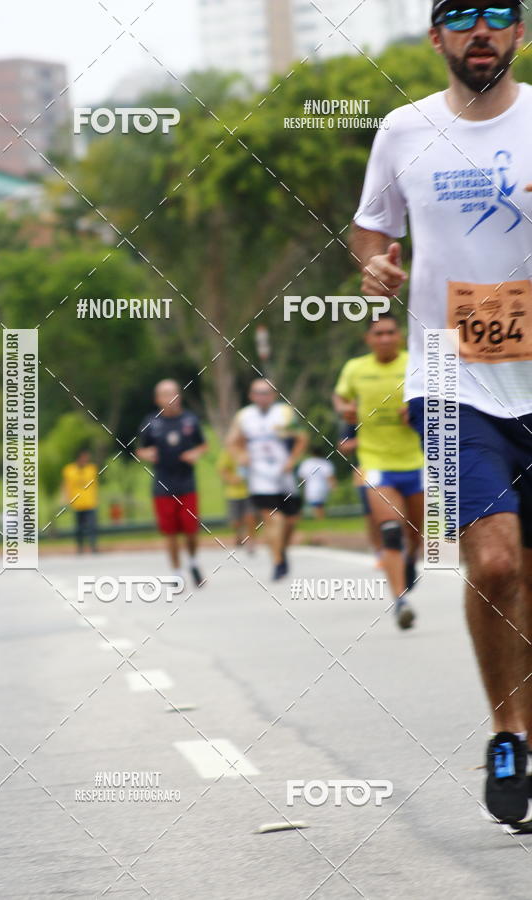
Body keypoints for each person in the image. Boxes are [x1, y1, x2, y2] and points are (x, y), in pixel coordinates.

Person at [350, 0, 532, 830]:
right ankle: (510, 734)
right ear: (437, 37)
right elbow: (370, 230)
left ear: (520, 33)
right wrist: (377, 267)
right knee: (495, 563)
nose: (481, 30)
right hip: (451, 378)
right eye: (462, 16)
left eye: (499, 13)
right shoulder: (404, 131)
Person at [334, 314, 424, 629]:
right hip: (375, 462)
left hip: (417, 461)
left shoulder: (416, 362)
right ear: (368, 340)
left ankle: (411, 559)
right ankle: (400, 602)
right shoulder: (356, 368)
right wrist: (343, 409)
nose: (384, 338)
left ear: (399, 336)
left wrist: (418, 408)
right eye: (378, 333)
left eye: (390, 332)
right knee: (390, 529)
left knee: (416, 533)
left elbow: (444, 396)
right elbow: (341, 397)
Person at [227, 379, 307, 580]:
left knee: (290, 521)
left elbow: (301, 438)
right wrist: (240, 457)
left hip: (284, 473)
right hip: (259, 475)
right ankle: (278, 561)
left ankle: (281, 550)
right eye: (258, 393)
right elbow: (232, 442)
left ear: (274, 395)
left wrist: (293, 459)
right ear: (251, 395)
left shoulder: (285, 413)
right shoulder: (244, 416)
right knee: (274, 519)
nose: (262, 397)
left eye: (266, 392)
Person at [137, 380, 207, 587]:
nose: (171, 398)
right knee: (170, 532)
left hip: (187, 483)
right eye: (166, 394)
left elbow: (203, 445)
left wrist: (195, 453)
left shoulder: (190, 420)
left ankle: (193, 561)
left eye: (174, 393)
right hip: (163, 484)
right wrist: (148, 454)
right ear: (158, 399)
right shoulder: (151, 422)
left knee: (191, 529)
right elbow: (140, 449)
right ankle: (176, 572)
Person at [337, 425, 383, 564]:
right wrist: (366, 440)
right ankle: (379, 550)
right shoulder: (355, 416)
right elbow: (343, 446)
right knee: (371, 514)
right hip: (365, 469)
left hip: (397, 465)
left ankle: (402, 546)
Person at [217, 446, 256, 551]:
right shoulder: (228, 451)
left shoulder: (252, 449)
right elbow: (222, 469)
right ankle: (239, 534)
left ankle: (250, 540)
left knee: (250, 516)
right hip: (233, 492)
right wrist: (231, 479)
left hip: (250, 491)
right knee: (235, 521)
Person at [61, 448, 99, 554]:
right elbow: (65, 485)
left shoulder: (91, 469)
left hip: (90, 502)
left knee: (92, 527)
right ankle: (80, 548)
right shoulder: (69, 470)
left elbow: (95, 485)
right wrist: (65, 498)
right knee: (79, 528)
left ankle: (93, 547)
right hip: (77, 503)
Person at [297, 448, 337, 519]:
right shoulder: (325, 463)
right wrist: (333, 487)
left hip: (310, 487)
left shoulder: (307, 463)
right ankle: (320, 519)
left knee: (316, 505)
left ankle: (319, 519)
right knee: (319, 505)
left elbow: (302, 477)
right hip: (323, 487)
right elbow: (330, 476)